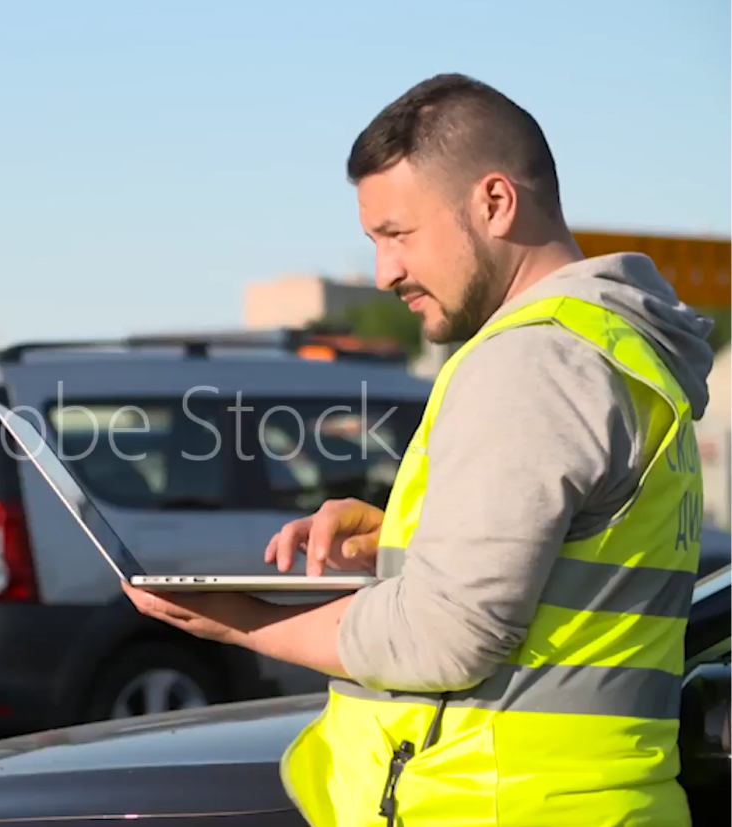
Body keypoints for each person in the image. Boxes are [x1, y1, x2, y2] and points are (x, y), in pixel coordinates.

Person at [123, 72, 713, 826]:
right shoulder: (613, 347)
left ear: (494, 203)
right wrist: (402, 539)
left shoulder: (531, 362)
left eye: (397, 234)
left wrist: (240, 617)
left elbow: (445, 638)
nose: (384, 271)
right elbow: (575, 568)